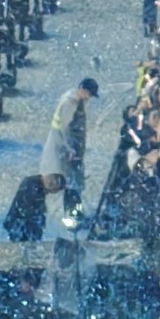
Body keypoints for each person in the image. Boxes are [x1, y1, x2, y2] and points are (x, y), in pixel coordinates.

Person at [40, 75, 98, 226]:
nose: (89, 98)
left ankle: (75, 217)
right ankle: (74, 219)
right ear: (82, 89)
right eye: (89, 94)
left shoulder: (71, 98)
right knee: (73, 186)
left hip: (66, 149)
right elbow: (66, 128)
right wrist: (71, 149)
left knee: (73, 186)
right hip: (67, 151)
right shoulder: (72, 102)